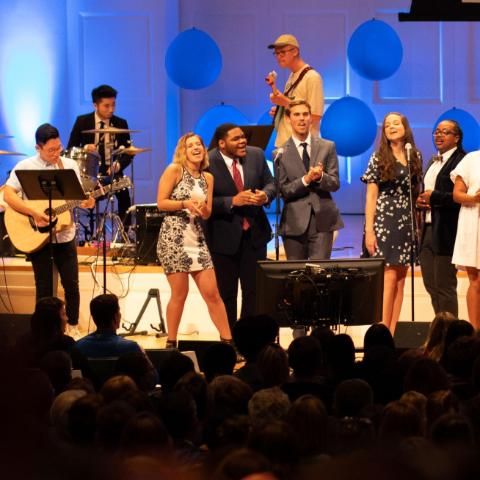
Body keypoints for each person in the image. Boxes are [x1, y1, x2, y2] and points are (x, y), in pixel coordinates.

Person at [3, 124, 95, 336]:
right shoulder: (25, 166)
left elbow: (77, 197)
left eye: (59, 148)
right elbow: (8, 195)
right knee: (44, 288)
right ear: (38, 147)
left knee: (72, 285)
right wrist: (33, 213)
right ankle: (45, 333)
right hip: (38, 237)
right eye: (51, 150)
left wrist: (86, 202)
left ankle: (72, 327)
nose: (56, 154)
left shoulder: (69, 165)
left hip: (65, 235)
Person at [156, 132, 233, 348]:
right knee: (180, 294)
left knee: (212, 293)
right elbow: (161, 203)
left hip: (196, 238)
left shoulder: (208, 177)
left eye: (199, 144)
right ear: (183, 151)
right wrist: (185, 204)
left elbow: (207, 213)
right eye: (191, 145)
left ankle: (228, 342)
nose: (196, 147)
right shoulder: (175, 170)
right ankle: (172, 342)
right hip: (174, 238)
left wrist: (202, 209)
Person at [206, 124, 276, 329]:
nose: (243, 141)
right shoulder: (208, 161)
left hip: (255, 235)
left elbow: (271, 183)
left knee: (253, 292)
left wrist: (266, 195)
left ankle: (248, 339)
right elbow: (203, 201)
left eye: (243, 137)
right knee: (227, 293)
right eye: (236, 139)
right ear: (222, 143)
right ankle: (229, 340)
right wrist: (232, 201)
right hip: (223, 237)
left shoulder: (256, 155)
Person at [361, 112, 422, 334]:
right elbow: (371, 196)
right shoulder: (378, 158)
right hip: (385, 220)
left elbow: (416, 191)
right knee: (389, 277)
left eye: (396, 123)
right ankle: (382, 332)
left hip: (407, 222)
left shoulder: (415, 155)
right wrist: (369, 230)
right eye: (387, 125)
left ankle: (393, 332)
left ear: (406, 127)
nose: (392, 127)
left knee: (401, 279)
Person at [278, 100, 343, 259]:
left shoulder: (327, 146)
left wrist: (321, 176)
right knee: (297, 276)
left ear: (311, 118)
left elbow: (335, 183)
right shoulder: (279, 153)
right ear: (288, 119)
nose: (302, 118)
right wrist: (306, 179)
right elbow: (284, 190)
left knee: (319, 274)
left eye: (305, 114)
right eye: (297, 114)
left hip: (323, 220)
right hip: (293, 223)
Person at [417, 120, 465, 317]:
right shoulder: (432, 160)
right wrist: (421, 201)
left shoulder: (462, 160)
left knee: (445, 286)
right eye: (436, 131)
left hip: (446, 231)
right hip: (428, 228)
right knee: (431, 286)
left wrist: (433, 197)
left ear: (457, 138)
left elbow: (460, 197)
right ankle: (440, 330)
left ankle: (451, 335)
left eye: (445, 132)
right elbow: (428, 192)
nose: (439, 135)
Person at [67, 84, 133, 224]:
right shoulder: (82, 121)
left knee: (125, 196)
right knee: (84, 198)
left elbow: (128, 152)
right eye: (106, 106)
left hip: (113, 172)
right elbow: (70, 147)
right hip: (90, 174)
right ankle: (88, 235)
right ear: (95, 105)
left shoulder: (120, 123)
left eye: (113, 105)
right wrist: (85, 147)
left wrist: (118, 164)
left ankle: (125, 233)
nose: (111, 109)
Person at [266, 34, 324, 148]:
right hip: (285, 144)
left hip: (302, 147)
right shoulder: (292, 76)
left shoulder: (312, 77)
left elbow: (315, 116)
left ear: (295, 51)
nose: (279, 57)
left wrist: (286, 103)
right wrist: (280, 111)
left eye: (282, 52)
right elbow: (292, 107)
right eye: (276, 53)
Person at [451, 149, 480, 329]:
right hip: (473, 222)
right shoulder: (472, 158)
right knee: (476, 280)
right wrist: (475, 198)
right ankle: (476, 333)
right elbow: (457, 194)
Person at [74, 293, 144, 358]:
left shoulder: (78, 346)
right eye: (119, 311)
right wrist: (144, 355)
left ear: (93, 317)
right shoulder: (131, 348)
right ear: (116, 317)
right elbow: (152, 371)